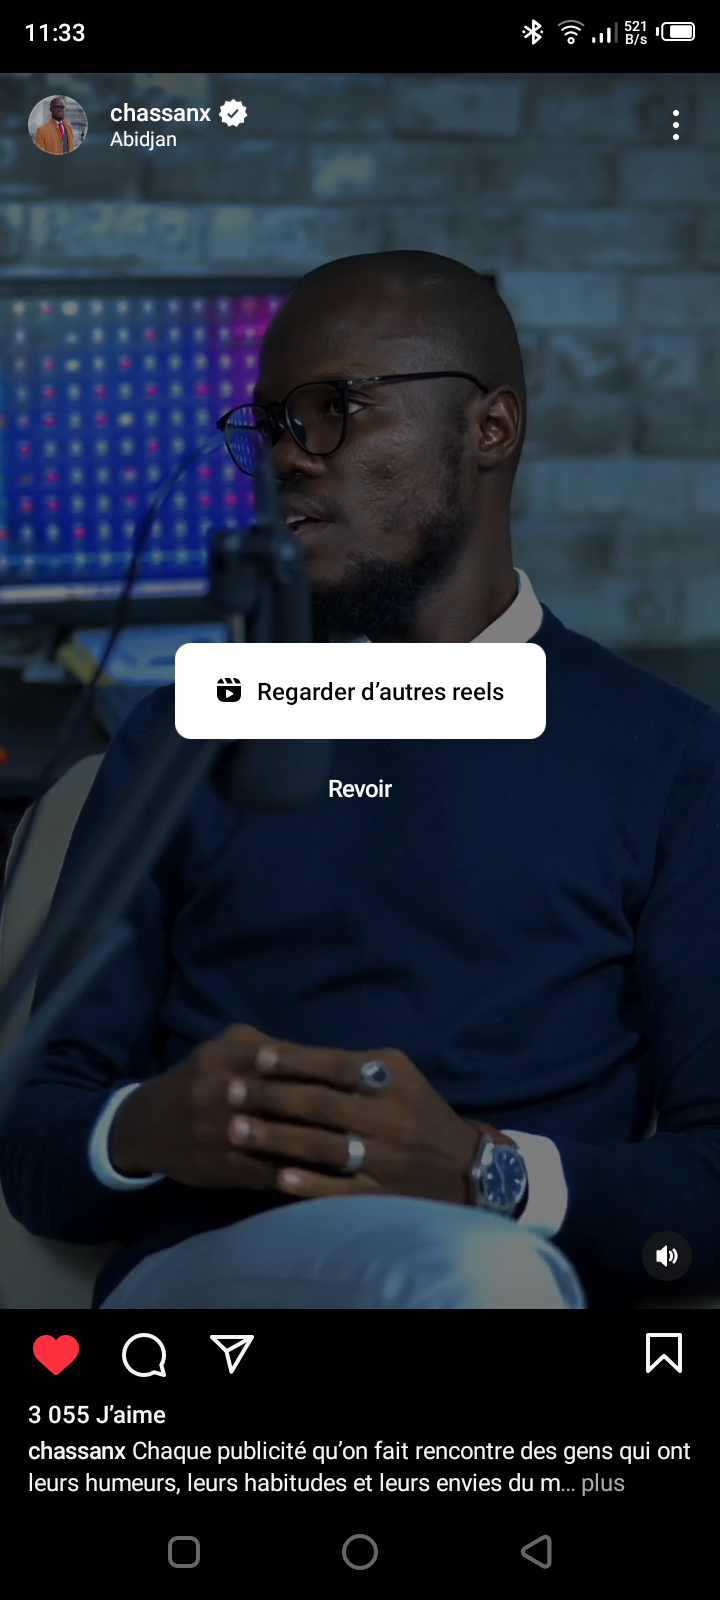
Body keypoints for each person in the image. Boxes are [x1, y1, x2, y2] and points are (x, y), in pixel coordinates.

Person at [2, 250, 720, 1310]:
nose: (289, 456)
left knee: (479, 1276)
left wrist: (483, 1171)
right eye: (272, 424)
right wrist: (148, 1125)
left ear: (491, 428)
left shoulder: (669, 757)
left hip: (506, 1272)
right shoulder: (192, 733)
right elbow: (36, 1147)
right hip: (213, 1274)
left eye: (336, 408)